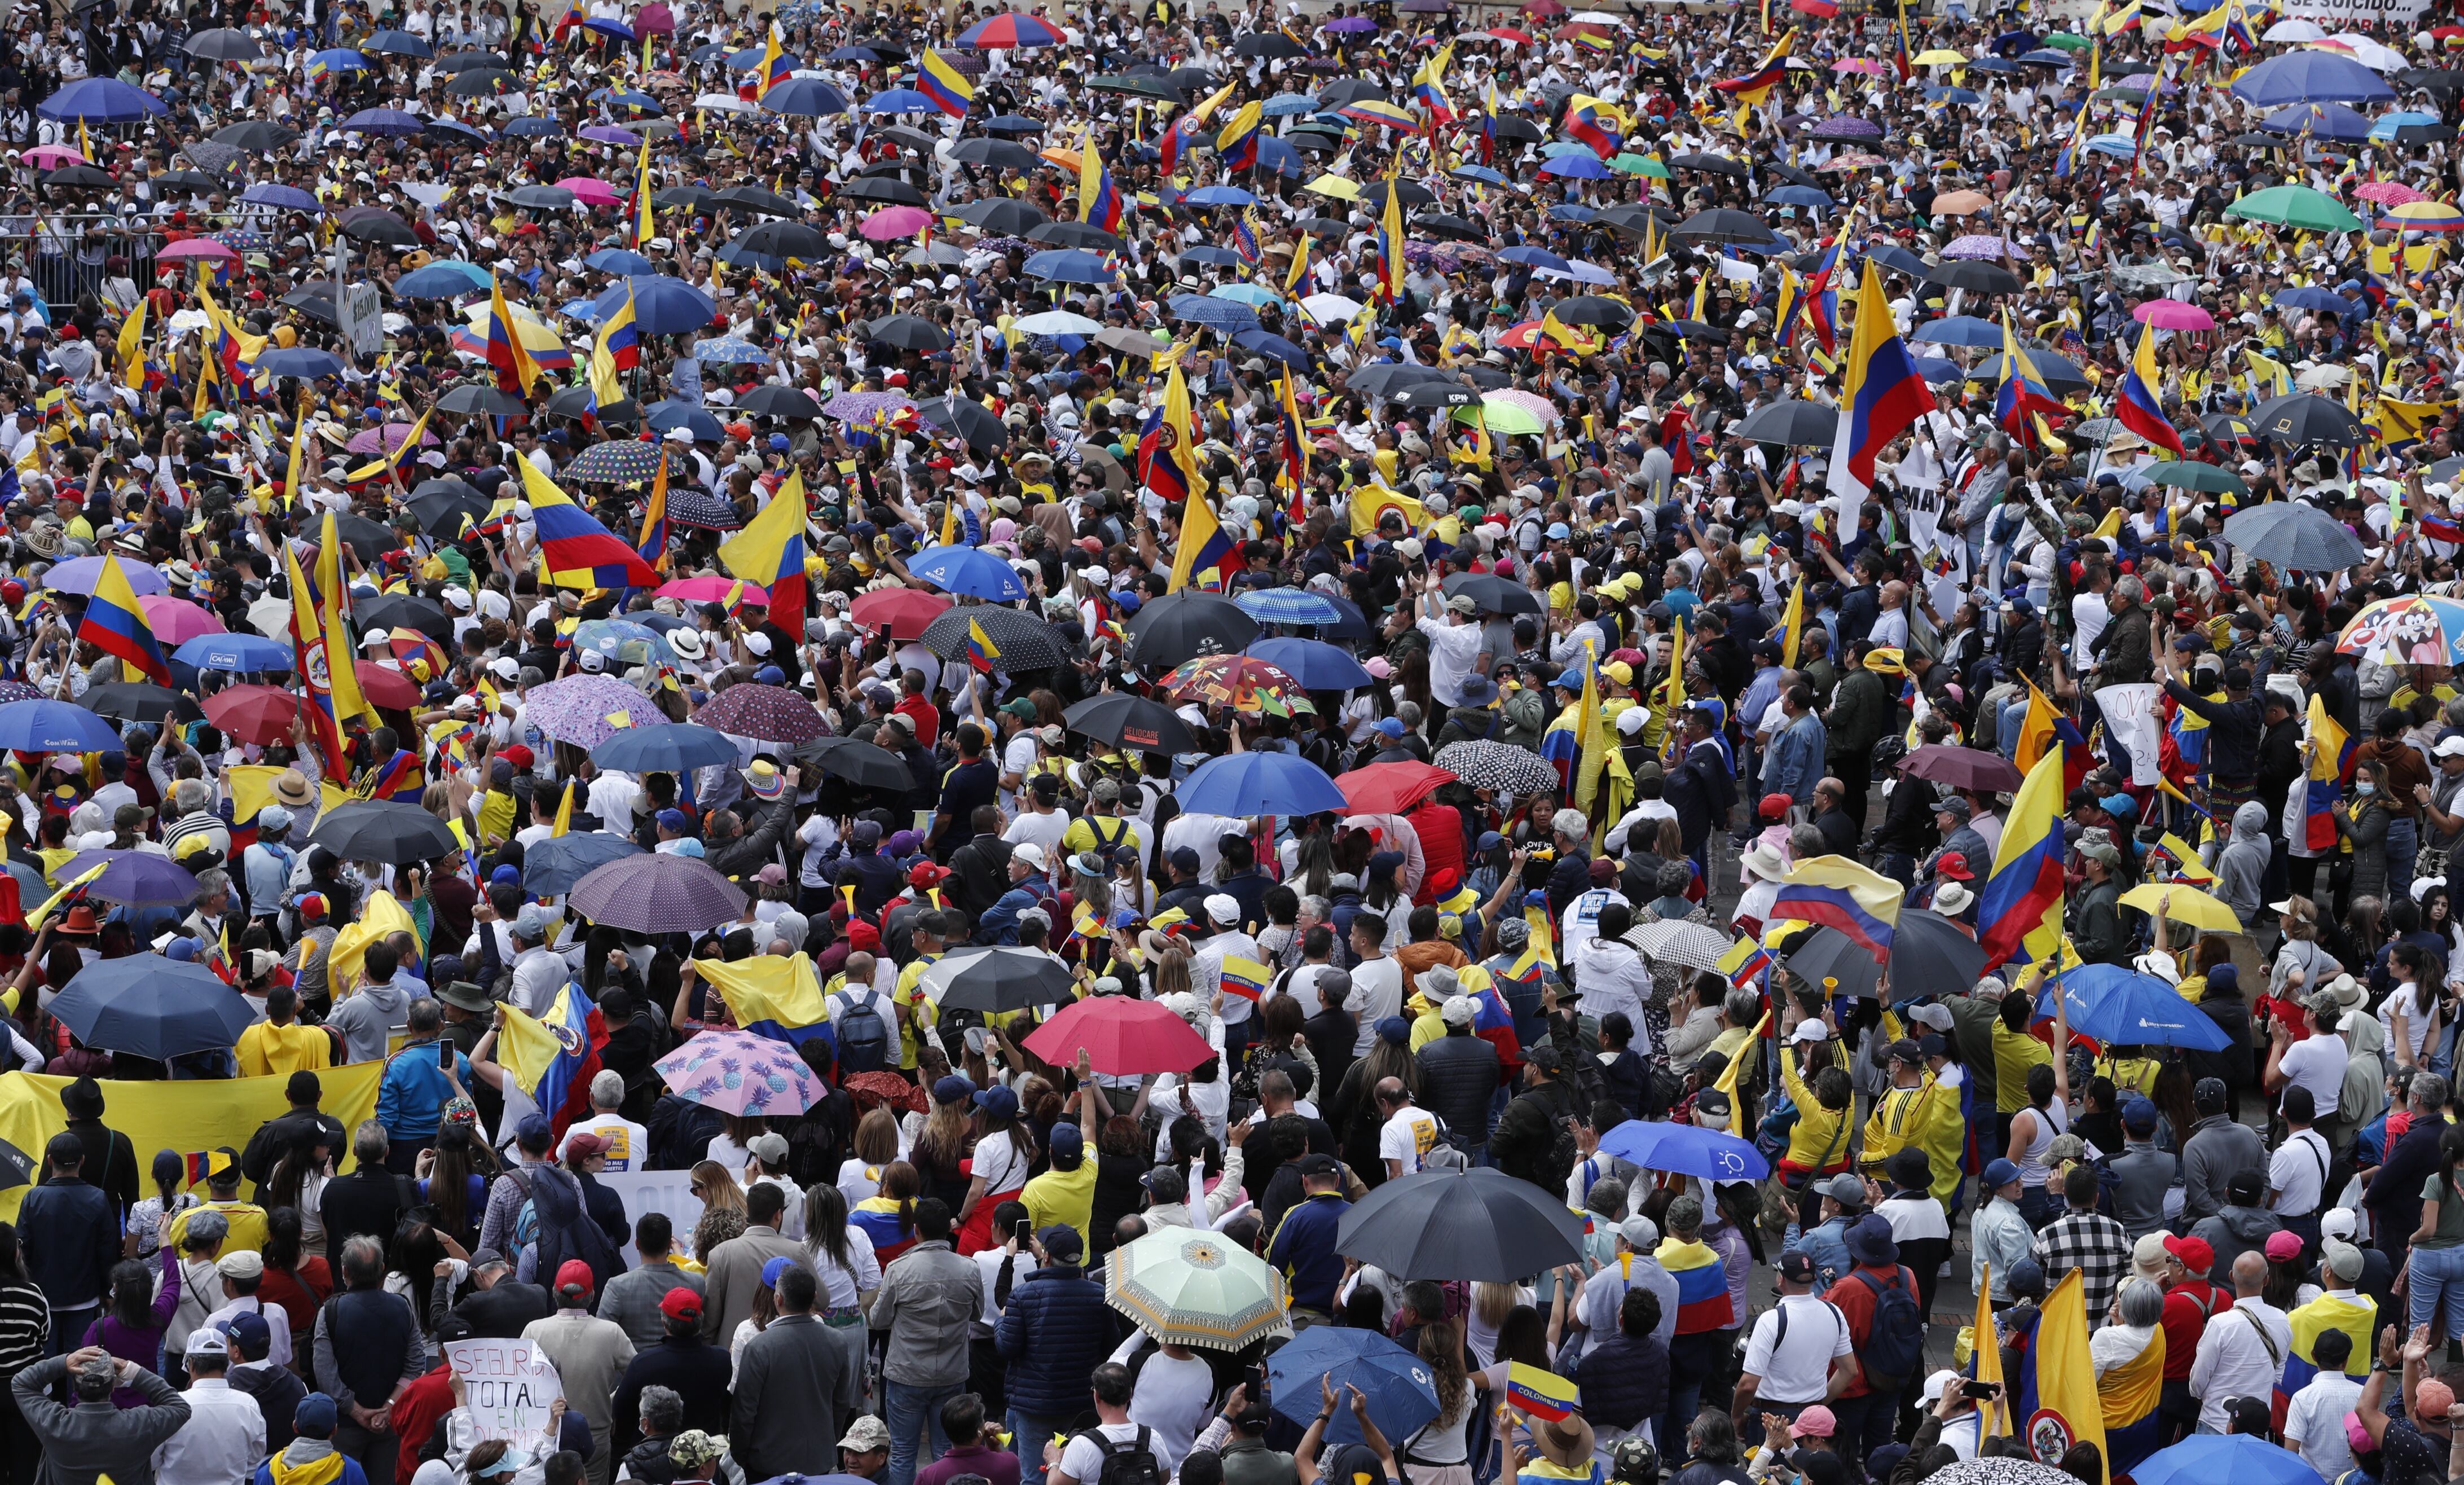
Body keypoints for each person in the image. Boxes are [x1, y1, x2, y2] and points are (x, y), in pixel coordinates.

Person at [869, 1198, 980, 1485]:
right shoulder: (969, 1269)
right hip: (952, 1373)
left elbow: (878, 1320)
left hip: (907, 1374)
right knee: (948, 1452)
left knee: (904, 1452)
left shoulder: (899, 1269)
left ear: (915, 1230)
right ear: (949, 1229)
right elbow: (977, 1314)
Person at [997, 1225, 1118, 1485]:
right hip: (1082, 1402)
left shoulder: (1023, 1295)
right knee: (1077, 1473)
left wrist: (1000, 1322)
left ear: (1048, 1257)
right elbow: (1112, 1347)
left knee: (1033, 1475)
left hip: (1036, 1403)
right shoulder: (1099, 1296)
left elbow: (1007, 1348)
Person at [309, 1237, 426, 1485]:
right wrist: (389, 1407)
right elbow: (416, 1365)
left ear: (345, 1272)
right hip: (386, 1423)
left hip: (348, 1426)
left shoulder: (330, 1311)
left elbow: (325, 1374)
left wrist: (360, 1411)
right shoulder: (401, 1307)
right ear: (382, 1270)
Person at [731, 1263, 861, 1483]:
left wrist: (741, 1454)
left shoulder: (760, 1347)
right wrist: (827, 1443)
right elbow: (841, 1404)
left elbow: (744, 1412)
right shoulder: (836, 1342)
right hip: (817, 1460)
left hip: (766, 1462)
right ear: (814, 1298)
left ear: (778, 1299)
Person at [521, 1261, 636, 1485]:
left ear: (555, 1294)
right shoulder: (611, 1333)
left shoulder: (534, 1331)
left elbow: (518, 1383)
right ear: (592, 1295)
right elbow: (638, 1375)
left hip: (545, 1436)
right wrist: (611, 1401)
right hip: (594, 1438)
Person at [10, 1346, 191, 1485]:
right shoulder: (138, 1425)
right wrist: (135, 1372)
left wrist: (64, 1363)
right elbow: (180, 1408)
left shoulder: (56, 1425)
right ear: (113, 1386)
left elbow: (22, 1383)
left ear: (75, 1387)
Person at [2188, 1251, 2294, 1435]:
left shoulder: (2221, 1324)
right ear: (2266, 1280)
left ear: (2231, 1277)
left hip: (2217, 1422)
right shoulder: (2282, 1321)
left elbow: (2198, 1380)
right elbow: (2277, 1375)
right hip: (2257, 1429)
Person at [149, 1328, 265, 1485]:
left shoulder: (172, 1406)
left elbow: (151, 1460)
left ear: (191, 1364)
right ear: (225, 1363)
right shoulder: (248, 1405)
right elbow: (254, 1459)